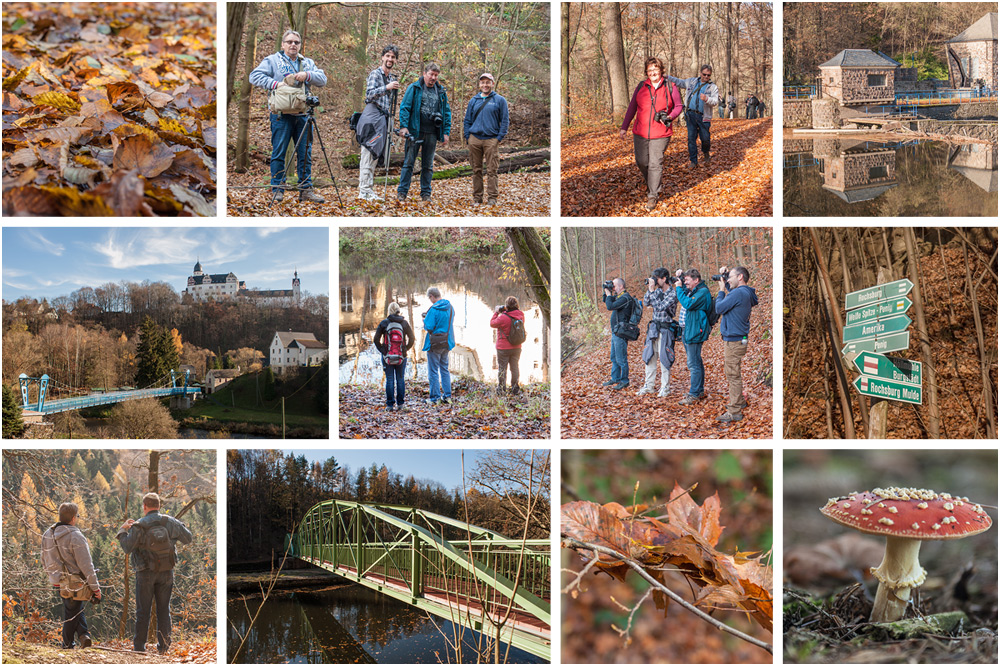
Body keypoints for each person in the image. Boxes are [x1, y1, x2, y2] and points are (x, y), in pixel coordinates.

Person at [249, 30, 327, 203]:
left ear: (300, 45)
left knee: (305, 154)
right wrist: (275, 84)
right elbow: (254, 76)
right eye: (290, 42)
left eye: (296, 42)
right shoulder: (272, 61)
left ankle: (305, 190)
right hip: (280, 115)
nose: (293, 45)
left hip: (304, 115)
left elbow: (322, 79)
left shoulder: (307, 63)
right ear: (283, 44)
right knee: (279, 152)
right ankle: (277, 189)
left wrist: (308, 75)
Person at [117, 493, 193, 654]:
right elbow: (188, 538)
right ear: (159, 505)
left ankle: (139, 648)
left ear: (144, 506)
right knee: (164, 609)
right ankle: (164, 647)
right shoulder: (170, 521)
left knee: (142, 611)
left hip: (145, 572)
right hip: (167, 572)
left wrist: (122, 530)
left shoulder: (139, 525)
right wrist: (179, 525)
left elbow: (127, 548)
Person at [620, 57, 684, 211]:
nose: (653, 72)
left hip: (661, 133)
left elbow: (679, 106)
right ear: (646, 72)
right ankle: (653, 184)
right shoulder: (641, 86)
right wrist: (624, 127)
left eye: (655, 69)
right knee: (642, 162)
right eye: (650, 70)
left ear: (661, 70)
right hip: (640, 132)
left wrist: (669, 117)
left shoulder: (670, 86)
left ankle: (652, 195)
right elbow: (632, 107)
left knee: (655, 163)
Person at [42, 503, 102, 650]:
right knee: (72, 610)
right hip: (75, 582)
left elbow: (43, 559)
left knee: (74, 607)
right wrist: (96, 589)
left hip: (57, 581)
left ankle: (84, 635)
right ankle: (68, 644)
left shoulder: (47, 534)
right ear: (74, 518)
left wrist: (52, 575)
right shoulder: (76, 536)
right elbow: (86, 566)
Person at [397, 63, 452, 202]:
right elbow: (405, 107)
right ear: (424, 73)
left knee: (428, 165)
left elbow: (446, 112)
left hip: (432, 133)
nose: (433, 78)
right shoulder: (414, 88)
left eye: (436, 75)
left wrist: (445, 132)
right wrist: (404, 126)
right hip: (415, 132)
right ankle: (402, 193)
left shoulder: (440, 91)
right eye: (431, 74)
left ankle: (426, 194)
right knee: (409, 163)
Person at [356, 45, 400, 201]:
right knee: (368, 153)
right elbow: (369, 95)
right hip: (371, 118)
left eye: (393, 57)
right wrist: (386, 87)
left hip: (381, 119)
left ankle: (369, 190)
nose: (390, 59)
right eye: (387, 56)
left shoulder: (390, 77)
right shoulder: (376, 74)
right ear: (382, 57)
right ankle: (363, 191)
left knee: (374, 155)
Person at [715, 266, 758, 422]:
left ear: (740, 277)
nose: (728, 280)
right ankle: (739, 401)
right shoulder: (744, 293)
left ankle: (734, 412)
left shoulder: (739, 293)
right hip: (738, 338)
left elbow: (719, 307)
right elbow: (731, 294)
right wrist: (725, 277)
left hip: (734, 340)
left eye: (730, 277)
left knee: (733, 375)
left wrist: (721, 291)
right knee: (733, 372)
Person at [463, 72, 509, 206]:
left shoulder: (500, 100)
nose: (485, 85)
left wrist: (499, 138)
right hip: (474, 139)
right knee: (476, 170)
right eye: (482, 82)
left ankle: (492, 198)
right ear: (479, 84)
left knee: (492, 170)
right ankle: (477, 198)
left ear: (492, 84)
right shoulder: (474, 100)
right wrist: (468, 137)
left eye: (488, 82)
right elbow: (467, 120)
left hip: (491, 140)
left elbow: (505, 120)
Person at [666, 64, 718, 169]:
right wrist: (666, 76)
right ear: (700, 73)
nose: (706, 77)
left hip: (704, 117)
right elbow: (679, 82)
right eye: (704, 74)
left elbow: (715, 101)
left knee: (705, 139)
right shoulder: (691, 82)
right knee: (691, 139)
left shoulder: (712, 87)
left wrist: (707, 99)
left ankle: (706, 152)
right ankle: (693, 161)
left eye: (708, 75)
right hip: (690, 115)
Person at [675, 269, 712, 405]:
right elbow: (686, 294)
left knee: (693, 364)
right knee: (696, 361)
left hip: (694, 331)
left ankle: (694, 393)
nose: (685, 283)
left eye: (687, 280)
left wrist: (678, 288)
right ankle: (699, 390)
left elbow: (687, 303)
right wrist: (680, 278)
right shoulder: (695, 290)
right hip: (689, 329)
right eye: (684, 281)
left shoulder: (702, 292)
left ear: (696, 280)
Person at [640, 268, 678, 396]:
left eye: (657, 278)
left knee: (664, 358)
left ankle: (665, 387)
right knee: (650, 356)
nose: (655, 280)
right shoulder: (656, 291)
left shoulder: (672, 293)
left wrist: (652, 292)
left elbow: (661, 306)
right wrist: (650, 290)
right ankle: (649, 385)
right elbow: (646, 302)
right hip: (654, 328)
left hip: (666, 329)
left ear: (664, 279)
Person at [373, 301, 415, 411]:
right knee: (400, 379)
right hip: (401, 356)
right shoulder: (404, 323)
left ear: (389, 311)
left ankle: (390, 405)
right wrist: (405, 349)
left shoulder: (384, 323)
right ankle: (400, 404)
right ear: (398, 310)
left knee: (390, 379)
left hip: (388, 356)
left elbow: (376, 339)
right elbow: (412, 338)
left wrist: (383, 350)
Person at [421, 287, 455, 404]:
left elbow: (428, 327)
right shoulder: (450, 307)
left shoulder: (433, 309)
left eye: (429, 297)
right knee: (444, 369)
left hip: (435, 344)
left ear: (431, 296)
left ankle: (435, 398)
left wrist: (424, 320)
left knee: (433, 371)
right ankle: (447, 396)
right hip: (447, 341)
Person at [490, 296, 524, 395]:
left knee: (502, 368)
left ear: (506, 306)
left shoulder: (503, 317)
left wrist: (497, 312)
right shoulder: (521, 315)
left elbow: (492, 323)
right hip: (517, 346)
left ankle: (501, 389)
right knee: (515, 367)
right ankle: (515, 388)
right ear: (517, 305)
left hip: (503, 348)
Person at [603, 278, 633, 390]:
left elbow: (610, 306)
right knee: (614, 357)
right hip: (616, 331)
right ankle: (615, 378)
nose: (613, 288)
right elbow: (606, 301)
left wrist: (608, 293)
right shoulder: (620, 297)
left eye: (614, 286)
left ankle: (624, 381)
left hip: (621, 332)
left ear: (620, 286)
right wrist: (606, 291)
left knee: (621, 358)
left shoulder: (625, 298)